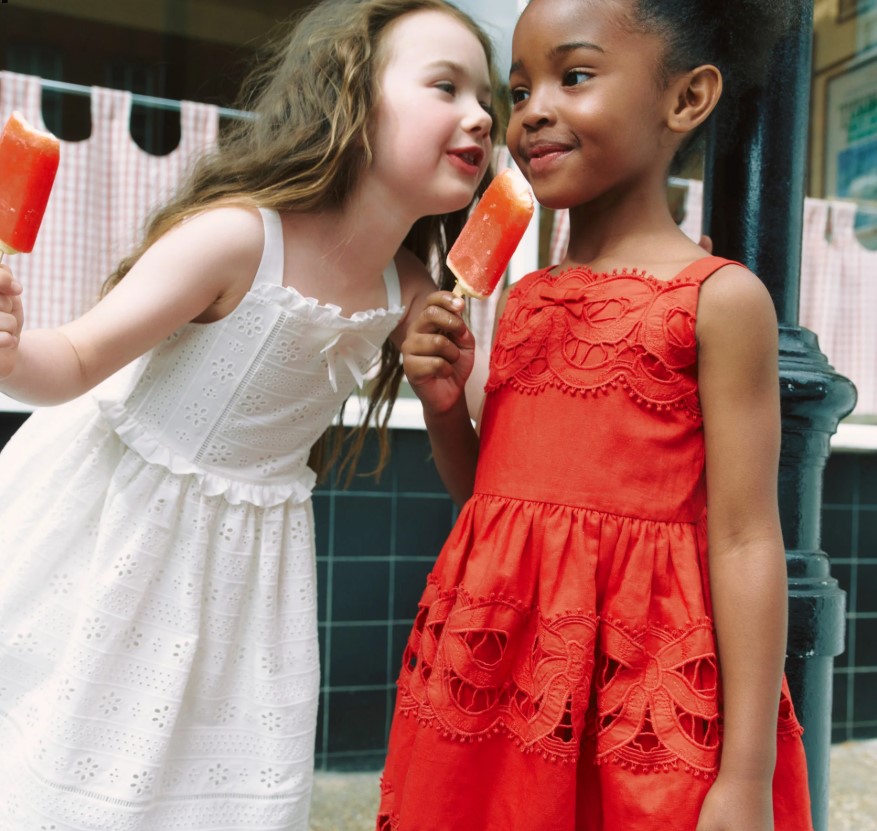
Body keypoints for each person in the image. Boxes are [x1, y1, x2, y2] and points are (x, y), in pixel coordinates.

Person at [0, 0, 496, 827]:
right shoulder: (234, 239)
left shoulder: (413, 292)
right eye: (445, 85)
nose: (479, 113)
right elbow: (76, 364)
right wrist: (12, 351)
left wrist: (447, 400)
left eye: (486, 98)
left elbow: (483, 479)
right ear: (350, 99)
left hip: (249, 567)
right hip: (115, 525)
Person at [377, 0, 815, 829]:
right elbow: (492, 507)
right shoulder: (524, 299)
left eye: (573, 76)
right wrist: (442, 407)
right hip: (495, 685)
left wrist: (745, 775)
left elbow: (747, 537)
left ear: (684, 99)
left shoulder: (718, 300)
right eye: (519, 89)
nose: (532, 109)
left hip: (637, 697)